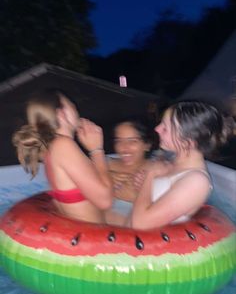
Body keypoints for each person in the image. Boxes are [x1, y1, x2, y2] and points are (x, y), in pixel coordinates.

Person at [131, 100, 234, 230]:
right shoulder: (171, 162)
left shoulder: (196, 181)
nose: (157, 129)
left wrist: (150, 175)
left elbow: (140, 224)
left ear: (188, 142)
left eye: (165, 128)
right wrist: (143, 184)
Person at [12, 91, 113, 224]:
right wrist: (97, 149)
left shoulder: (52, 148)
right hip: (90, 237)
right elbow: (105, 201)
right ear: (61, 114)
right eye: (71, 105)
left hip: (82, 230)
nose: (76, 109)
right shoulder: (63, 145)